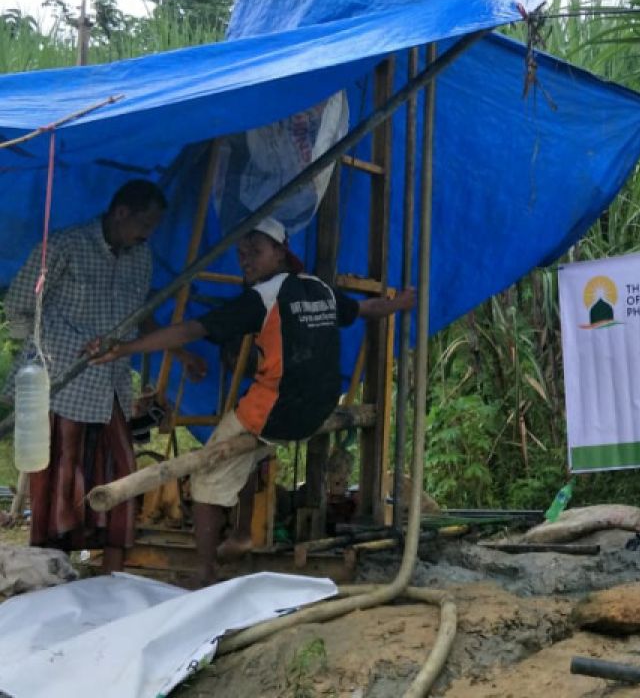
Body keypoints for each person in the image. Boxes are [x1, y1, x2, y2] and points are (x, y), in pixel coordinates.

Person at [90, 217, 414, 585]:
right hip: (320, 406)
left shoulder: (262, 298)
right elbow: (365, 310)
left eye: (255, 252)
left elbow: (192, 329)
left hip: (278, 412)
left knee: (206, 474)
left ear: (279, 252)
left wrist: (126, 349)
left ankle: (204, 569)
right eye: (242, 254)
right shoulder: (317, 288)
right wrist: (401, 303)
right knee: (246, 451)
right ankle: (242, 532)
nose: (246, 260)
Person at [6, 179, 206, 573]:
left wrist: (177, 351)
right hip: (63, 379)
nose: (147, 234)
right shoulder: (65, 245)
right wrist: (57, 347)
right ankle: (49, 564)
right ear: (120, 213)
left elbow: (139, 311)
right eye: (144, 224)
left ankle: (112, 566)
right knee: (59, 471)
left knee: (119, 466)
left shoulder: (139, 256)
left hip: (111, 380)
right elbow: (18, 306)